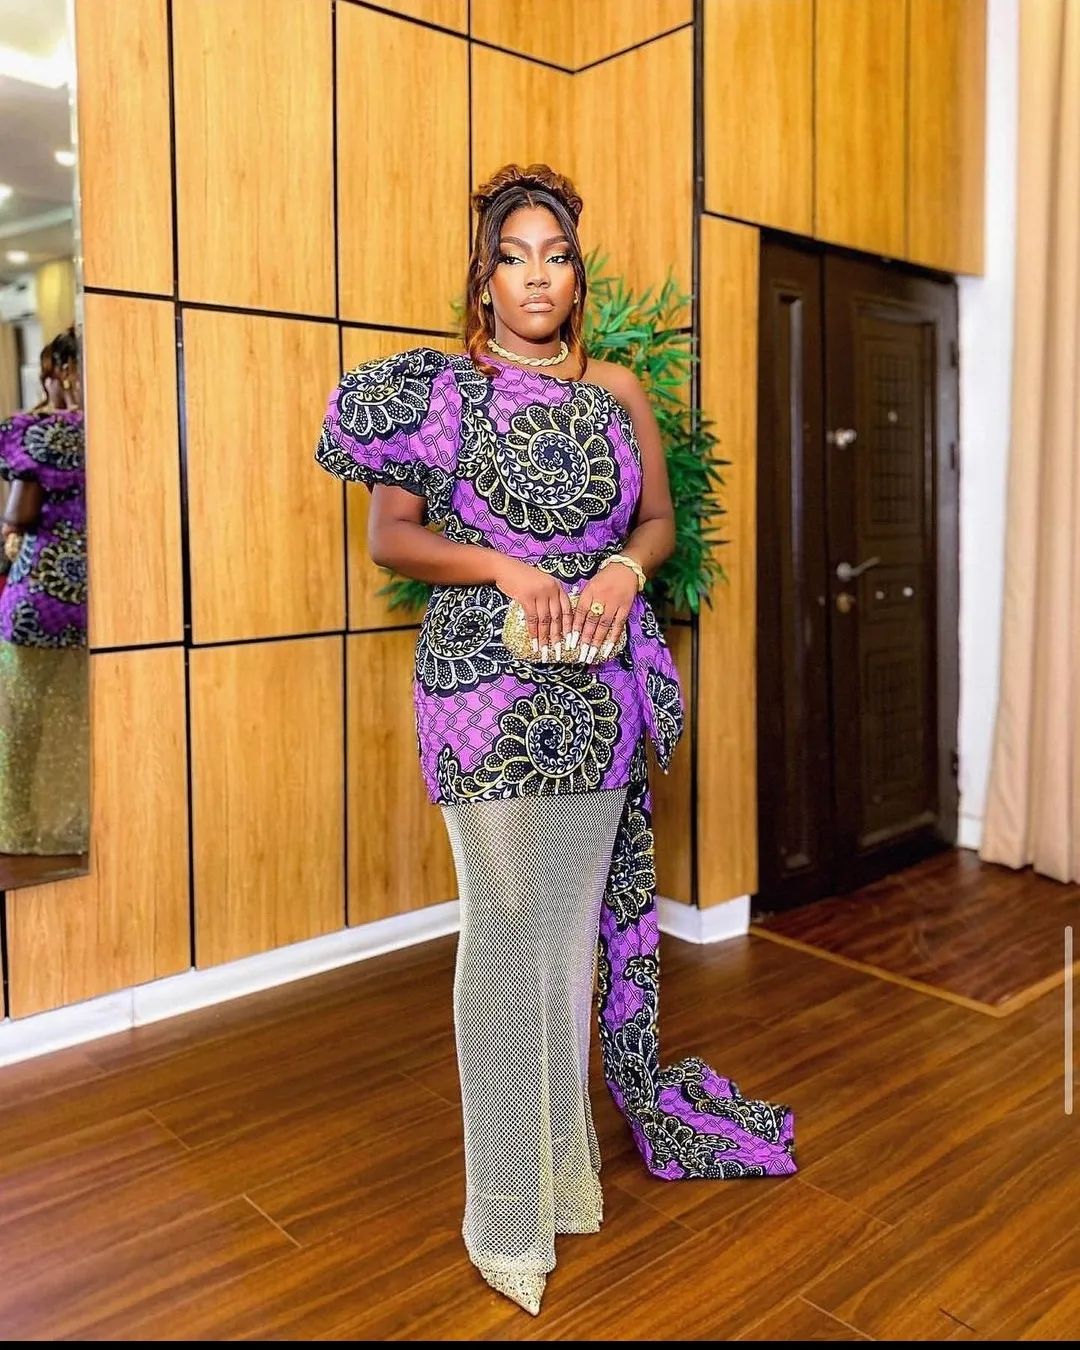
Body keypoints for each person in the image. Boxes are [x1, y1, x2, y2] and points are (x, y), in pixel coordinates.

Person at [316, 164, 796, 1316]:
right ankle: (505, 1214)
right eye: (513, 256)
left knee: (568, 938)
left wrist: (626, 568)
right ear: (483, 280)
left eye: (556, 255)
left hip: (595, 688)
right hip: (481, 686)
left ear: (578, 277)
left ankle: (564, 1173)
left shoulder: (619, 390)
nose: (536, 276)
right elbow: (391, 538)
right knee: (502, 936)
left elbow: (660, 519)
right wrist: (503, 565)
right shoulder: (441, 392)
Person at [0, 326, 88, 855]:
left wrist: (9, 535)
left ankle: (16, 828)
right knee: (83, 725)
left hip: (39, 600)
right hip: (101, 604)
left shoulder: (34, 433)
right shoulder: (119, 427)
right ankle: (79, 825)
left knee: (22, 724)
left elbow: (20, 515)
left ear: (63, 369)